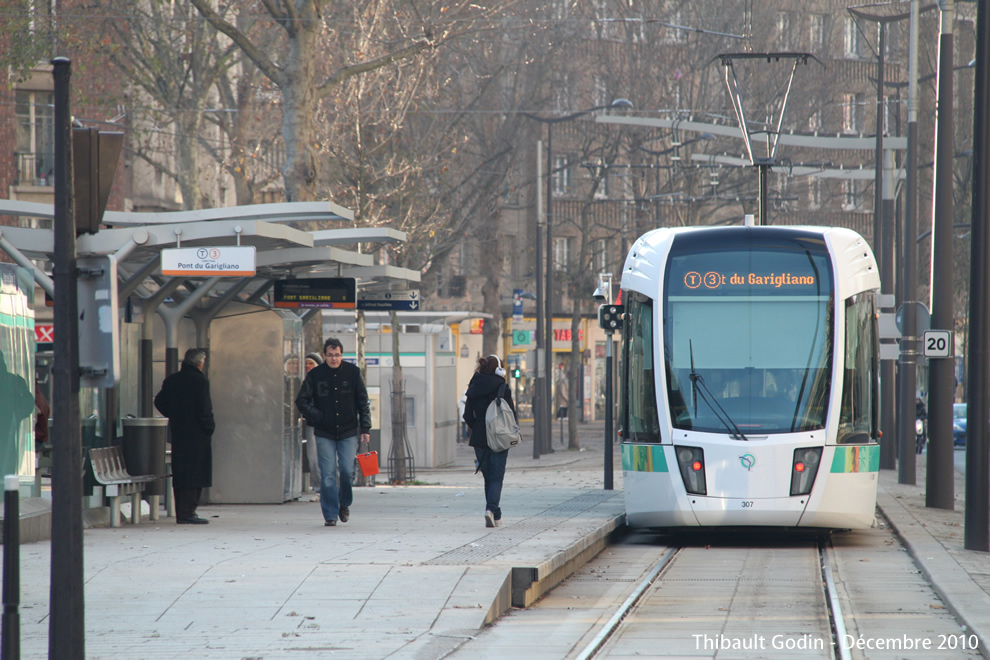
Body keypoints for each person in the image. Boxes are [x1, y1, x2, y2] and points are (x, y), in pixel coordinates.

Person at [295, 338, 371, 527]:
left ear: (342, 355)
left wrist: (365, 428)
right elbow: (301, 400)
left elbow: (363, 401)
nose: (334, 359)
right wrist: (316, 416)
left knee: (346, 471)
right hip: (325, 431)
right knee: (327, 474)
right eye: (330, 355)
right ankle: (330, 514)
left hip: (348, 430)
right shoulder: (315, 375)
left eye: (337, 355)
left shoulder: (353, 373)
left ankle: (344, 503)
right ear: (325, 356)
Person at [154, 349, 215, 525]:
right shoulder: (200, 381)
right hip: (197, 434)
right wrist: (209, 427)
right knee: (196, 472)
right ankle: (189, 511)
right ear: (199, 363)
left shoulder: (172, 380)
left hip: (179, 432)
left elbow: (159, 401)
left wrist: (174, 414)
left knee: (181, 471)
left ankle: (182, 510)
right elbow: (205, 408)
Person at [462, 354, 516, 528]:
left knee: (488, 477)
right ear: (500, 369)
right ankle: (491, 509)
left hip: (479, 438)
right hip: (499, 437)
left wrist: (478, 427)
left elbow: (467, 415)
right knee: (496, 477)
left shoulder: (473, 386)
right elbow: (511, 415)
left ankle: (495, 513)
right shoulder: (503, 387)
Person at [302, 352, 324, 497]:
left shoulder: (323, 381)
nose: (308, 366)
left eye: (312, 363)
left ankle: (331, 488)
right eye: (307, 364)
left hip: (324, 424)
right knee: (313, 458)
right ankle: (319, 489)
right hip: (310, 424)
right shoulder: (302, 381)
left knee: (326, 458)